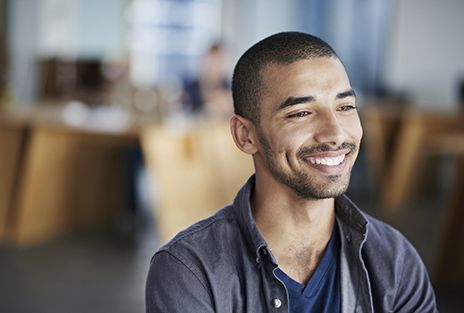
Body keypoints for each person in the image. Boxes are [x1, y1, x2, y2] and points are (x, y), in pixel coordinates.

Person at [146, 32, 437, 312]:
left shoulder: (395, 260)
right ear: (246, 135)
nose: (335, 134)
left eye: (345, 106)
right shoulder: (190, 271)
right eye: (301, 113)